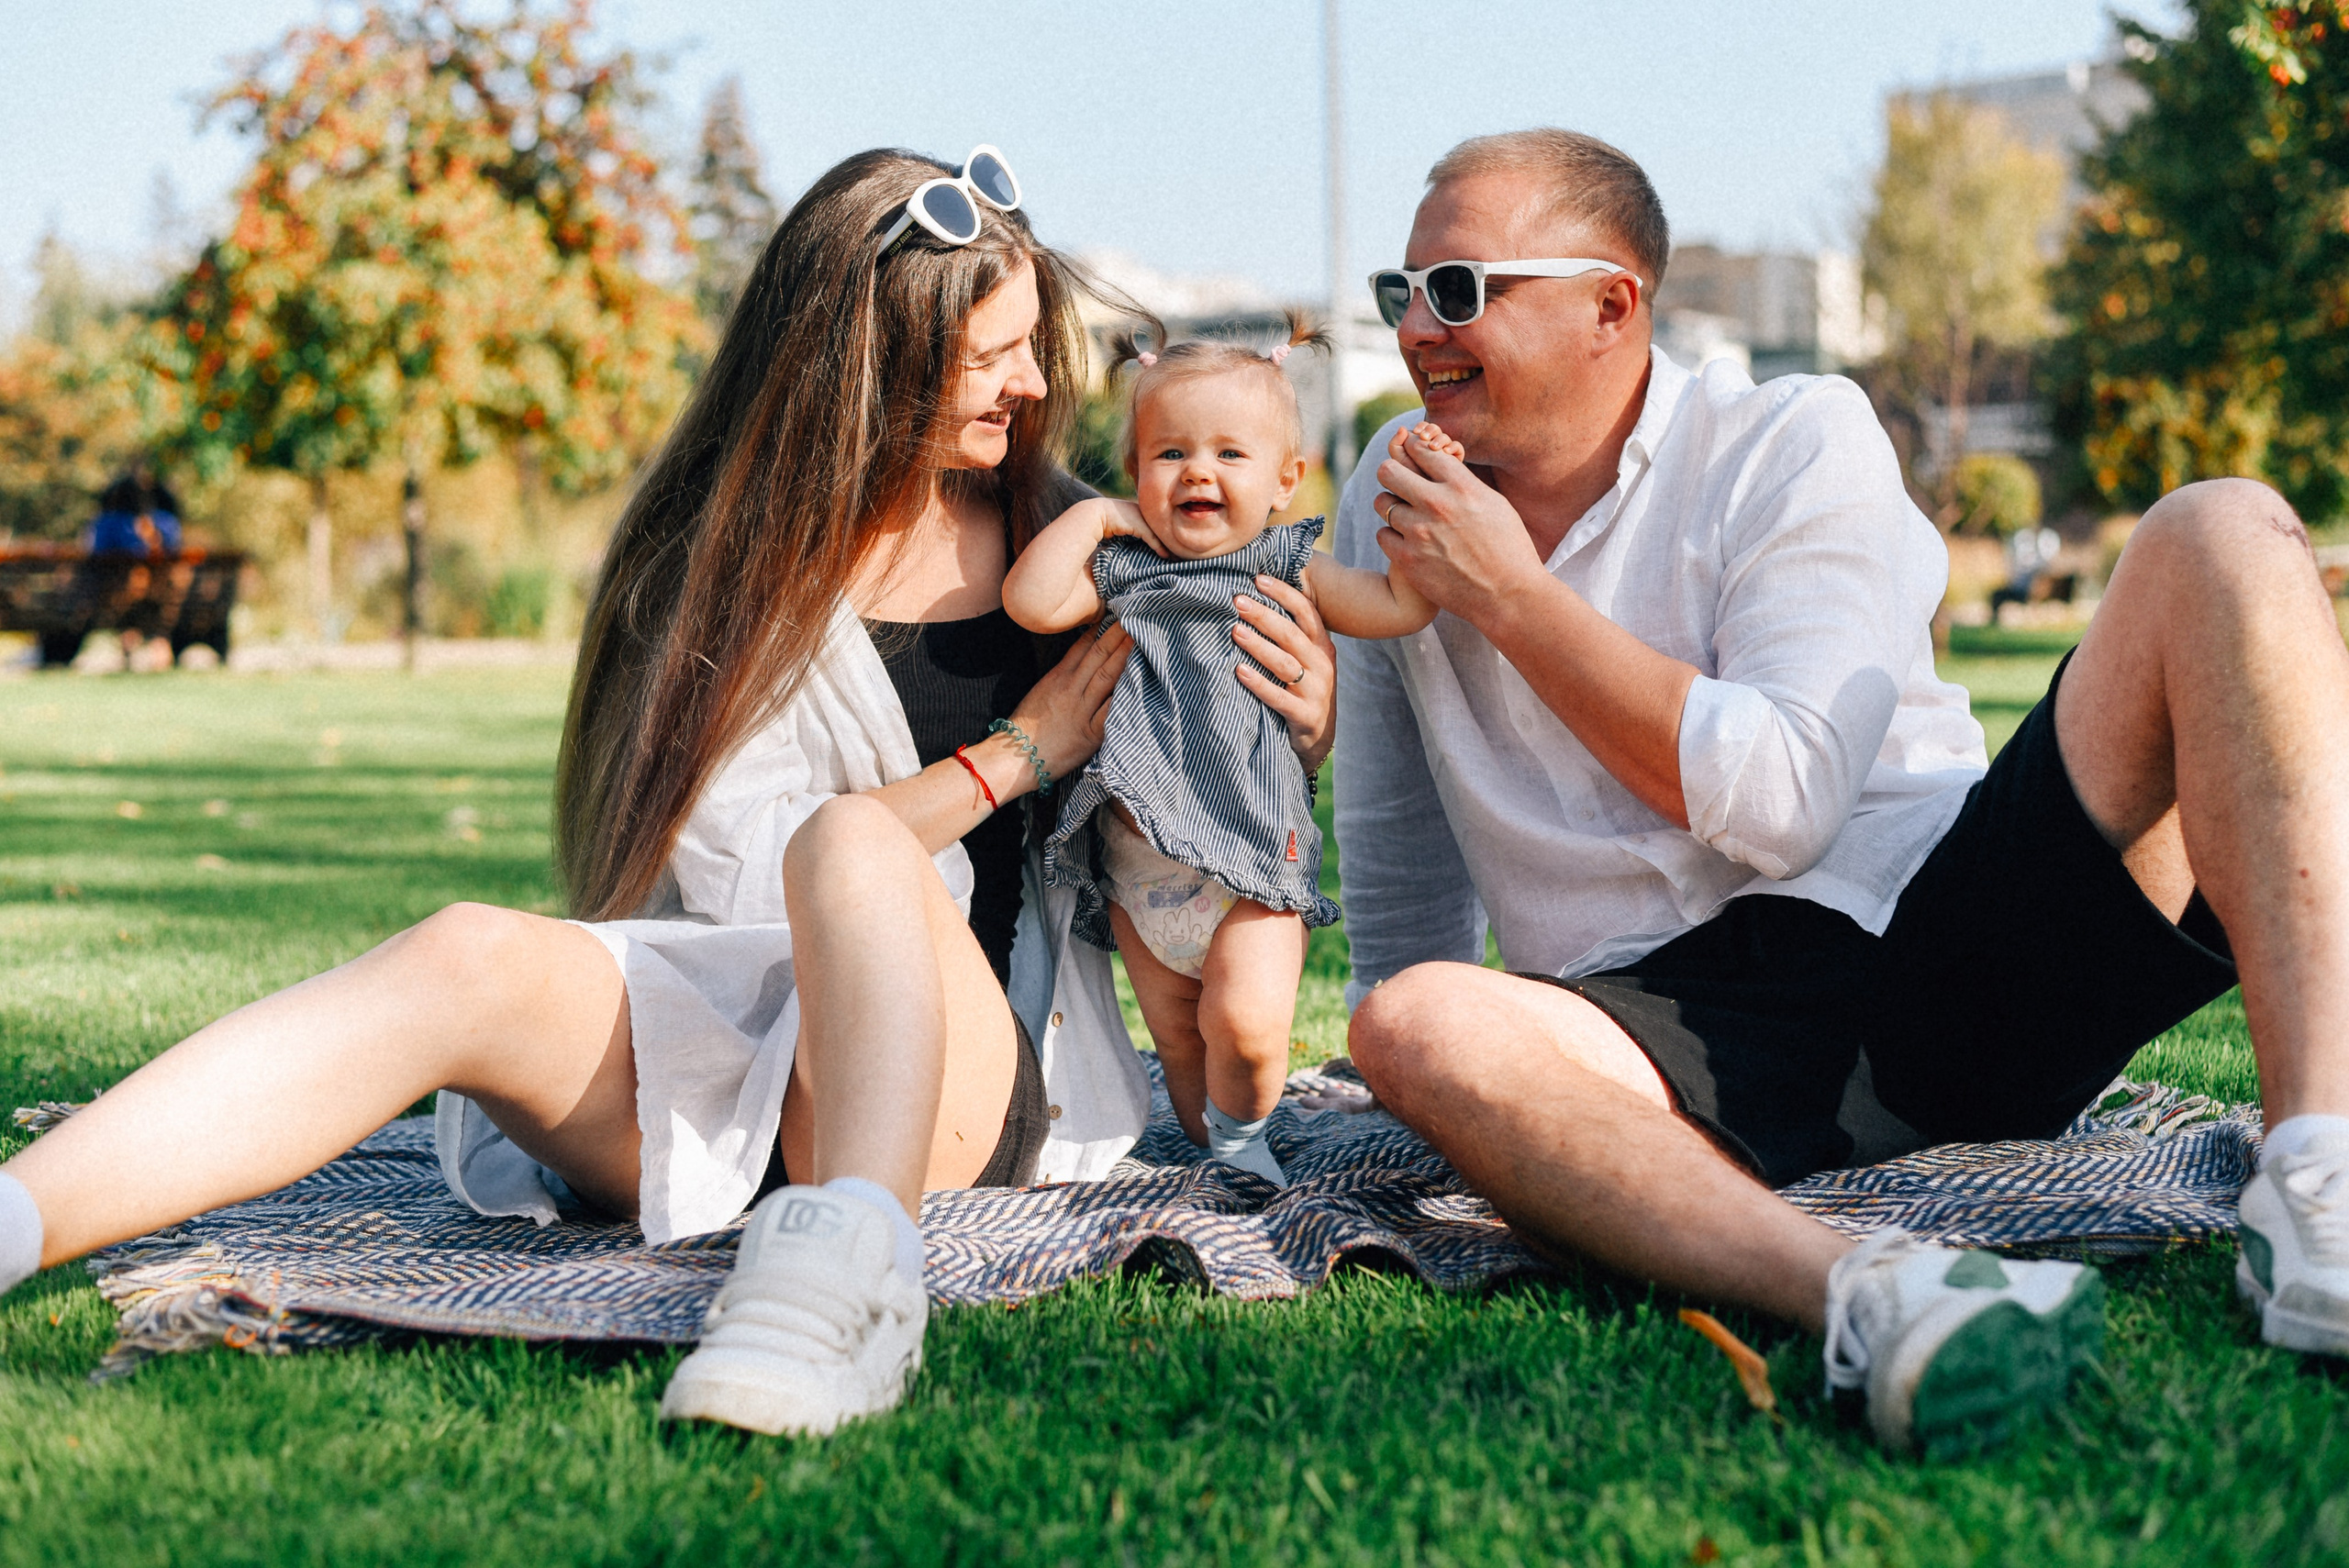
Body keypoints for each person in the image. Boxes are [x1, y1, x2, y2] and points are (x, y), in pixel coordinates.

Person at [0, 145, 1341, 1438]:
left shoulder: (1087, 551)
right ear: (868, 358)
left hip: (962, 1083)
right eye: (987, 356)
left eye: (1027, 346)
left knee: (857, 844)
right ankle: (17, 1217)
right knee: (467, 949)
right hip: (730, 1050)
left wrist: (1300, 733)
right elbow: (755, 878)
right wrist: (1014, 756)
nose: (1029, 385)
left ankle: (850, 1285)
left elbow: (1189, 803)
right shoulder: (720, 569)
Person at [1330, 128, 2349, 1452]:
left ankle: (2318, 1170)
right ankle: (1875, 1295)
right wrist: (1420, 1101)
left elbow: (1789, 802)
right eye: (1400, 292)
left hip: (1938, 927)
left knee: (2221, 526)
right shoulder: (1391, 492)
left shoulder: (1791, 438)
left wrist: (1512, 601)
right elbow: (1398, 833)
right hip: (1655, 1031)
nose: (1417, 330)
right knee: (1410, 1020)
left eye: (1459, 290)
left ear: (1611, 306)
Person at [1003, 315, 1435, 1184]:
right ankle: (1216, 1151)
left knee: (1241, 1026)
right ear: (1136, 474)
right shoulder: (1124, 569)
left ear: (1285, 480)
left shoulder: (1288, 566)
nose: (1198, 470)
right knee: (1179, 1041)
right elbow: (1031, 602)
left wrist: (1422, 506)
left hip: (1251, 863)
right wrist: (1097, 518)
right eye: (1169, 454)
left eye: (1230, 454)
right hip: (1135, 870)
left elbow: (1399, 605)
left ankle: (1242, 1143)